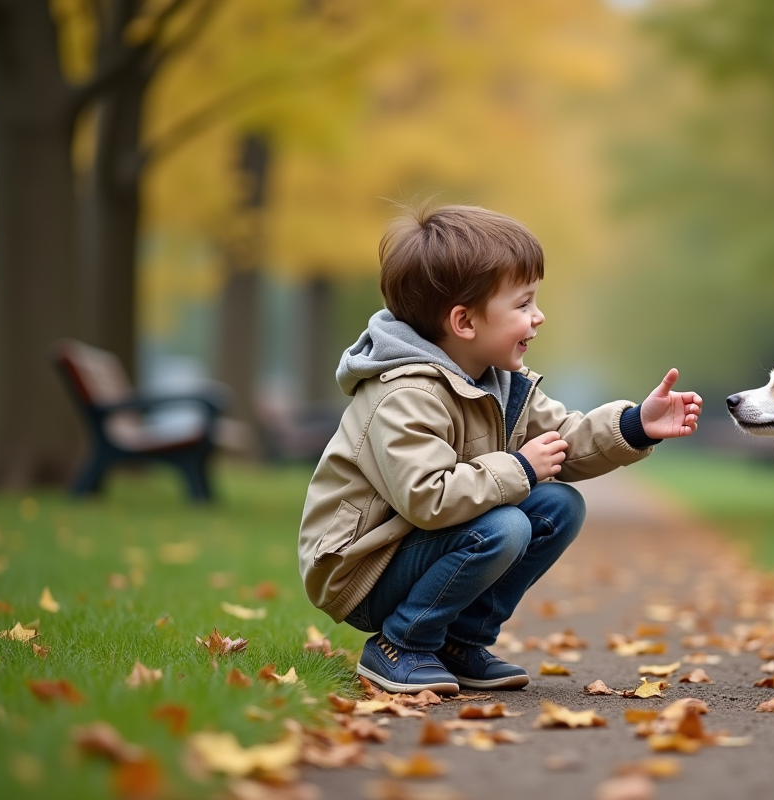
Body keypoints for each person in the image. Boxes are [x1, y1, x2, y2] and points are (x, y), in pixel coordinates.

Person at [297, 202, 702, 694]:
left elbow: (565, 439)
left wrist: (637, 425)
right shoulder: (405, 394)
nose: (539, 317)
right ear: (465, 322)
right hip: (363, 569)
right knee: (506, 526)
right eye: (523, 304)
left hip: (418, 546)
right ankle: (400, 644)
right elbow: (427, 497)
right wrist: (520, 468)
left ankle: (459, 643)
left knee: (558, 505)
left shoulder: (501, 382)